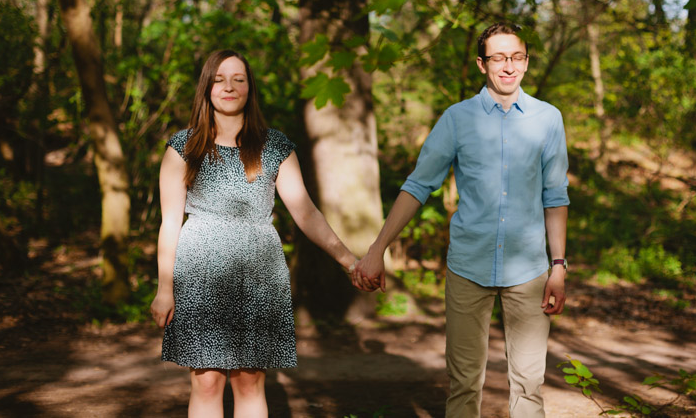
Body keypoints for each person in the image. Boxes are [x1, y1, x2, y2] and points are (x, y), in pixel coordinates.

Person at [354, 23, 569, 417]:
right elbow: (419, 185)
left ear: (526, 61)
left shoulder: (548, 119)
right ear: (481, 63)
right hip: (468, 267)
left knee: (529, 384)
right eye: (499, 58)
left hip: (530, 271)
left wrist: (558, 265)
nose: (509, 67)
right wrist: (377, 247)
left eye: (517, 57)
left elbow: (555, 197)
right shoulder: (457, 119)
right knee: (464, 383)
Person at [150, 49, 361, 417]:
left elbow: (306, 213)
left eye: (238, 79)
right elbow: (169, 223)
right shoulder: (182, 147)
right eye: (219, 79)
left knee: (248, 381)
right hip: (200, 272)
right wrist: (164, 289)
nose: (228, 87)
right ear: (206, 88)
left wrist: (349, 260)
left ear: (250, 88)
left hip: (259, 273)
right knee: (206, 380)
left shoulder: (274, 146)